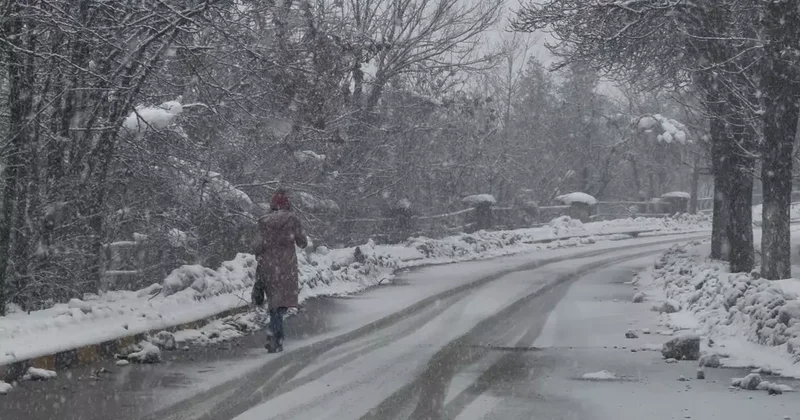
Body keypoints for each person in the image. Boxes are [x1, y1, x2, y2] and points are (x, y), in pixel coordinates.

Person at [252, 189, 308, 353]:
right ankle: (275, 336)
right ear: (287, 204)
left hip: (268, 266)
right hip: (286, 266)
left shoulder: (263, 221)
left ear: (272, 205)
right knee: (280, 305)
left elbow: (256, 246)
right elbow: (302, 242)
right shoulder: (292, 220)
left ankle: (275, 336)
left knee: (274, 303)